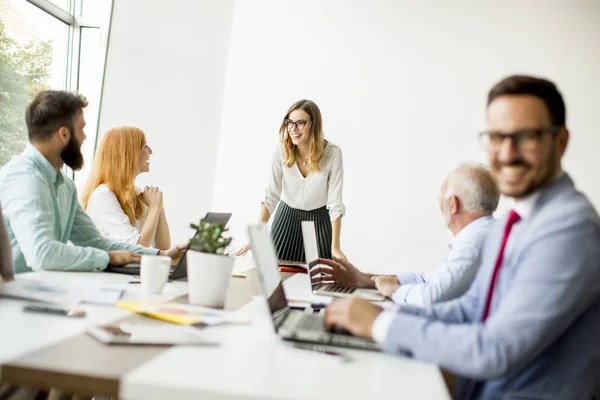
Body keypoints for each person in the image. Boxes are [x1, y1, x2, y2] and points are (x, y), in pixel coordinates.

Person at [323, 76, 600, 399]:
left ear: (561, 141)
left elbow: (496, 350)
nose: (507, 152)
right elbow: (472, 309)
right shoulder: (515, 222)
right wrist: (384, 314)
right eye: (497, 137)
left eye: (526, 137)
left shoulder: (569, 230)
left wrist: (381, 326)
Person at [0, 90, 185, 274]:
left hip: (38, 289)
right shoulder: (24, 178)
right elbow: (43, 254)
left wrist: (160, 255)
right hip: (10, 297)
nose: (85, 137)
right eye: (81, 128)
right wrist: (108, 258)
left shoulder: (64, 184)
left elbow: (95, 242)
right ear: (63, 134)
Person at [317, 163, 498, 306]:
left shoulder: (473, 244)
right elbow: (429, 279)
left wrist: (394, 291)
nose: (438, 202)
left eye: (441, 196)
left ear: (452, 204)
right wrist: (367, 279)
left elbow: (432, 298)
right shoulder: (483, 234)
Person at [234, 99, 347, 262]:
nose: (293, 129)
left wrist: (335, 247)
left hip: (319, 223)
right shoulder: (281, 151)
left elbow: (335, 203)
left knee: (317, 280)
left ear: (313, 125)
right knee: (277, 278)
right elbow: (271, 196)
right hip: (286, 220)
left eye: (300, 123)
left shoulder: (333, 154)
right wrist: (256, 236)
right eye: (289, 122)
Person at [81, 126, 171, 249]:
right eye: (145, 146)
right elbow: (138, 248)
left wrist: (158, 205)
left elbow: (163, 246)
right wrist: (154, 207)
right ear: (129, 154)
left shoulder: (137, 193)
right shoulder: (103, 196)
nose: (150, 151)